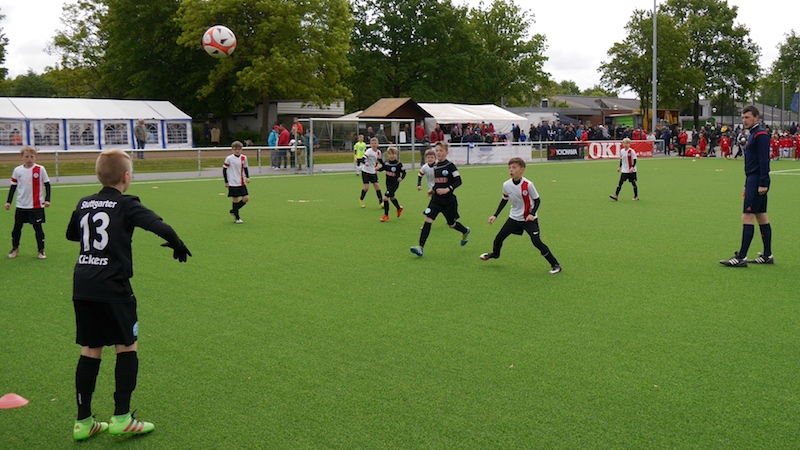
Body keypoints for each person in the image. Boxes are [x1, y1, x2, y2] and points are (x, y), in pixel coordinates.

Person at [66, 149, 191, 441]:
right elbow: (159, 225)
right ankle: (122, 417)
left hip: (83, 284)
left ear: (99, 176)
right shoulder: (126, 203)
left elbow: (72, 234)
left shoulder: (84, 202)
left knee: (90, 349)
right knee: (126, 346)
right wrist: (177, 243)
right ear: (126, 176)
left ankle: (83, 422)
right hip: (113, 285)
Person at [479, 158, 561, 274]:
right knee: (498, 238)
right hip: (514, 218)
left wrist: (532, 214)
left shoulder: (528, 185)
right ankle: (495, 254)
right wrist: (495, 215)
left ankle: (556, 265)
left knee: (537, 242)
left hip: (528, 219)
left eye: (514, 167)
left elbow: (537, 200)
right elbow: (504, 200)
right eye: (509, 168)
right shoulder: (506, 185)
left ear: (522, 170)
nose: (511, 170)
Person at [720, 105, 773, 267]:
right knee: (761, 216)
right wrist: (746, 183)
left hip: (757, 180)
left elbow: (764, 160)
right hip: (752, 180)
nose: (744, 120)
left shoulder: (760, 135)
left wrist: (763, 182)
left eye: (747, 117)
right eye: (743, 118)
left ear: (756, 118)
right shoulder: (752, 134)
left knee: (747, 216)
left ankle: (741, 257)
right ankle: (767, 255)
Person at [410, 141, 470, 257]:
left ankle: (465, 231)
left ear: (446, 152)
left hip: (449, 201)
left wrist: (448, 189)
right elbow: (437, 183)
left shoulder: (450, 166)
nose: (438, 153)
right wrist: (432, 190)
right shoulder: (436, 166)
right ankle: (420, 247)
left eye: (441, 150)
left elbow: (458, 181)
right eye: (436, 150)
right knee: (428, 220)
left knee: (452, 224)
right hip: (436, 200)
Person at [5, 146, 51, 259]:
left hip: (36, 205)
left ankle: (41, 250)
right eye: (26, 156)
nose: (29, 159)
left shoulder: (40, 169)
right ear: (22, 157)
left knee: (38, 228)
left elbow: (47, 185)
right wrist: (8, 202)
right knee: (17, 228)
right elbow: (13, 187)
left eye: (31, 156)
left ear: (35, 157)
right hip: (21, 205)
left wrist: (47, 199)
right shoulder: (17, 170)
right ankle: (15, 248)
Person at [223, 141, 250, 223]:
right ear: (232, 150)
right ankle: (237, 218)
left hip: (241, 181)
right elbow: (224, 170)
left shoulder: (244, 158)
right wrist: (226, 181)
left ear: (241, 150)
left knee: (246, 198)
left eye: (239, 149)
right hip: (232, 182)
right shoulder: (229, 158)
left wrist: (247, 177)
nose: (237, 151)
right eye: (235, 149)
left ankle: (234, 210)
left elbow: (245, 168)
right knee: (235, 199)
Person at [377, 146, 406, 222]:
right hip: (388, 183)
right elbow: (383, 168)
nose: (391, 156)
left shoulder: (398, 164)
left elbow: (404, 172)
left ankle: (386, 215)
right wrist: (377, 169)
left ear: (396, 155)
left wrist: (401, 178)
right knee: (392, 197)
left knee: (385, 198)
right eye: (390, 154)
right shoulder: (387, 163)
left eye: (393, 154)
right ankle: (399, 208)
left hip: (394, 184)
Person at [358, 137, 383, 208]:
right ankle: (361, 199)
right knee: (366, 188)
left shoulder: (378, 152)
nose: (374, 145)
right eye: (372, 143)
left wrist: (385, 166)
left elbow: (380, 160)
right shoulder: (369, 151)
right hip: (365, 171)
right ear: (370, 144)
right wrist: (365, 163)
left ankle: (381, 202)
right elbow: (362, 159)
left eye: (375, 143)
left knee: (377, 186)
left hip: (373, 172)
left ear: (377, 144)